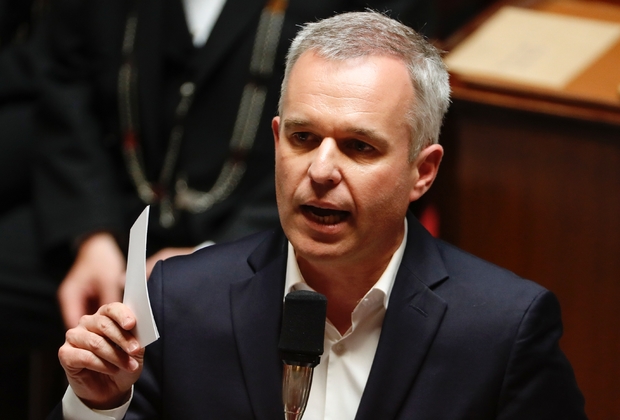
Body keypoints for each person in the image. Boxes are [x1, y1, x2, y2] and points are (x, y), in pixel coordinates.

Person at [48, 11, 586, 419]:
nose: (321, 169)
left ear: (423, 171)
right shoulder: (180, 298)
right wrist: (100, 404)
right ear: (278, 139)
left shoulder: (503, 327)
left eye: (359, 147)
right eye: (304, 138)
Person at [33, 0, 436, 331]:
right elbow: (65, 86)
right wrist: (91, 234)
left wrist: (214, 259)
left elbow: (367, 131)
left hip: (268, 227)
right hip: (105, 212)